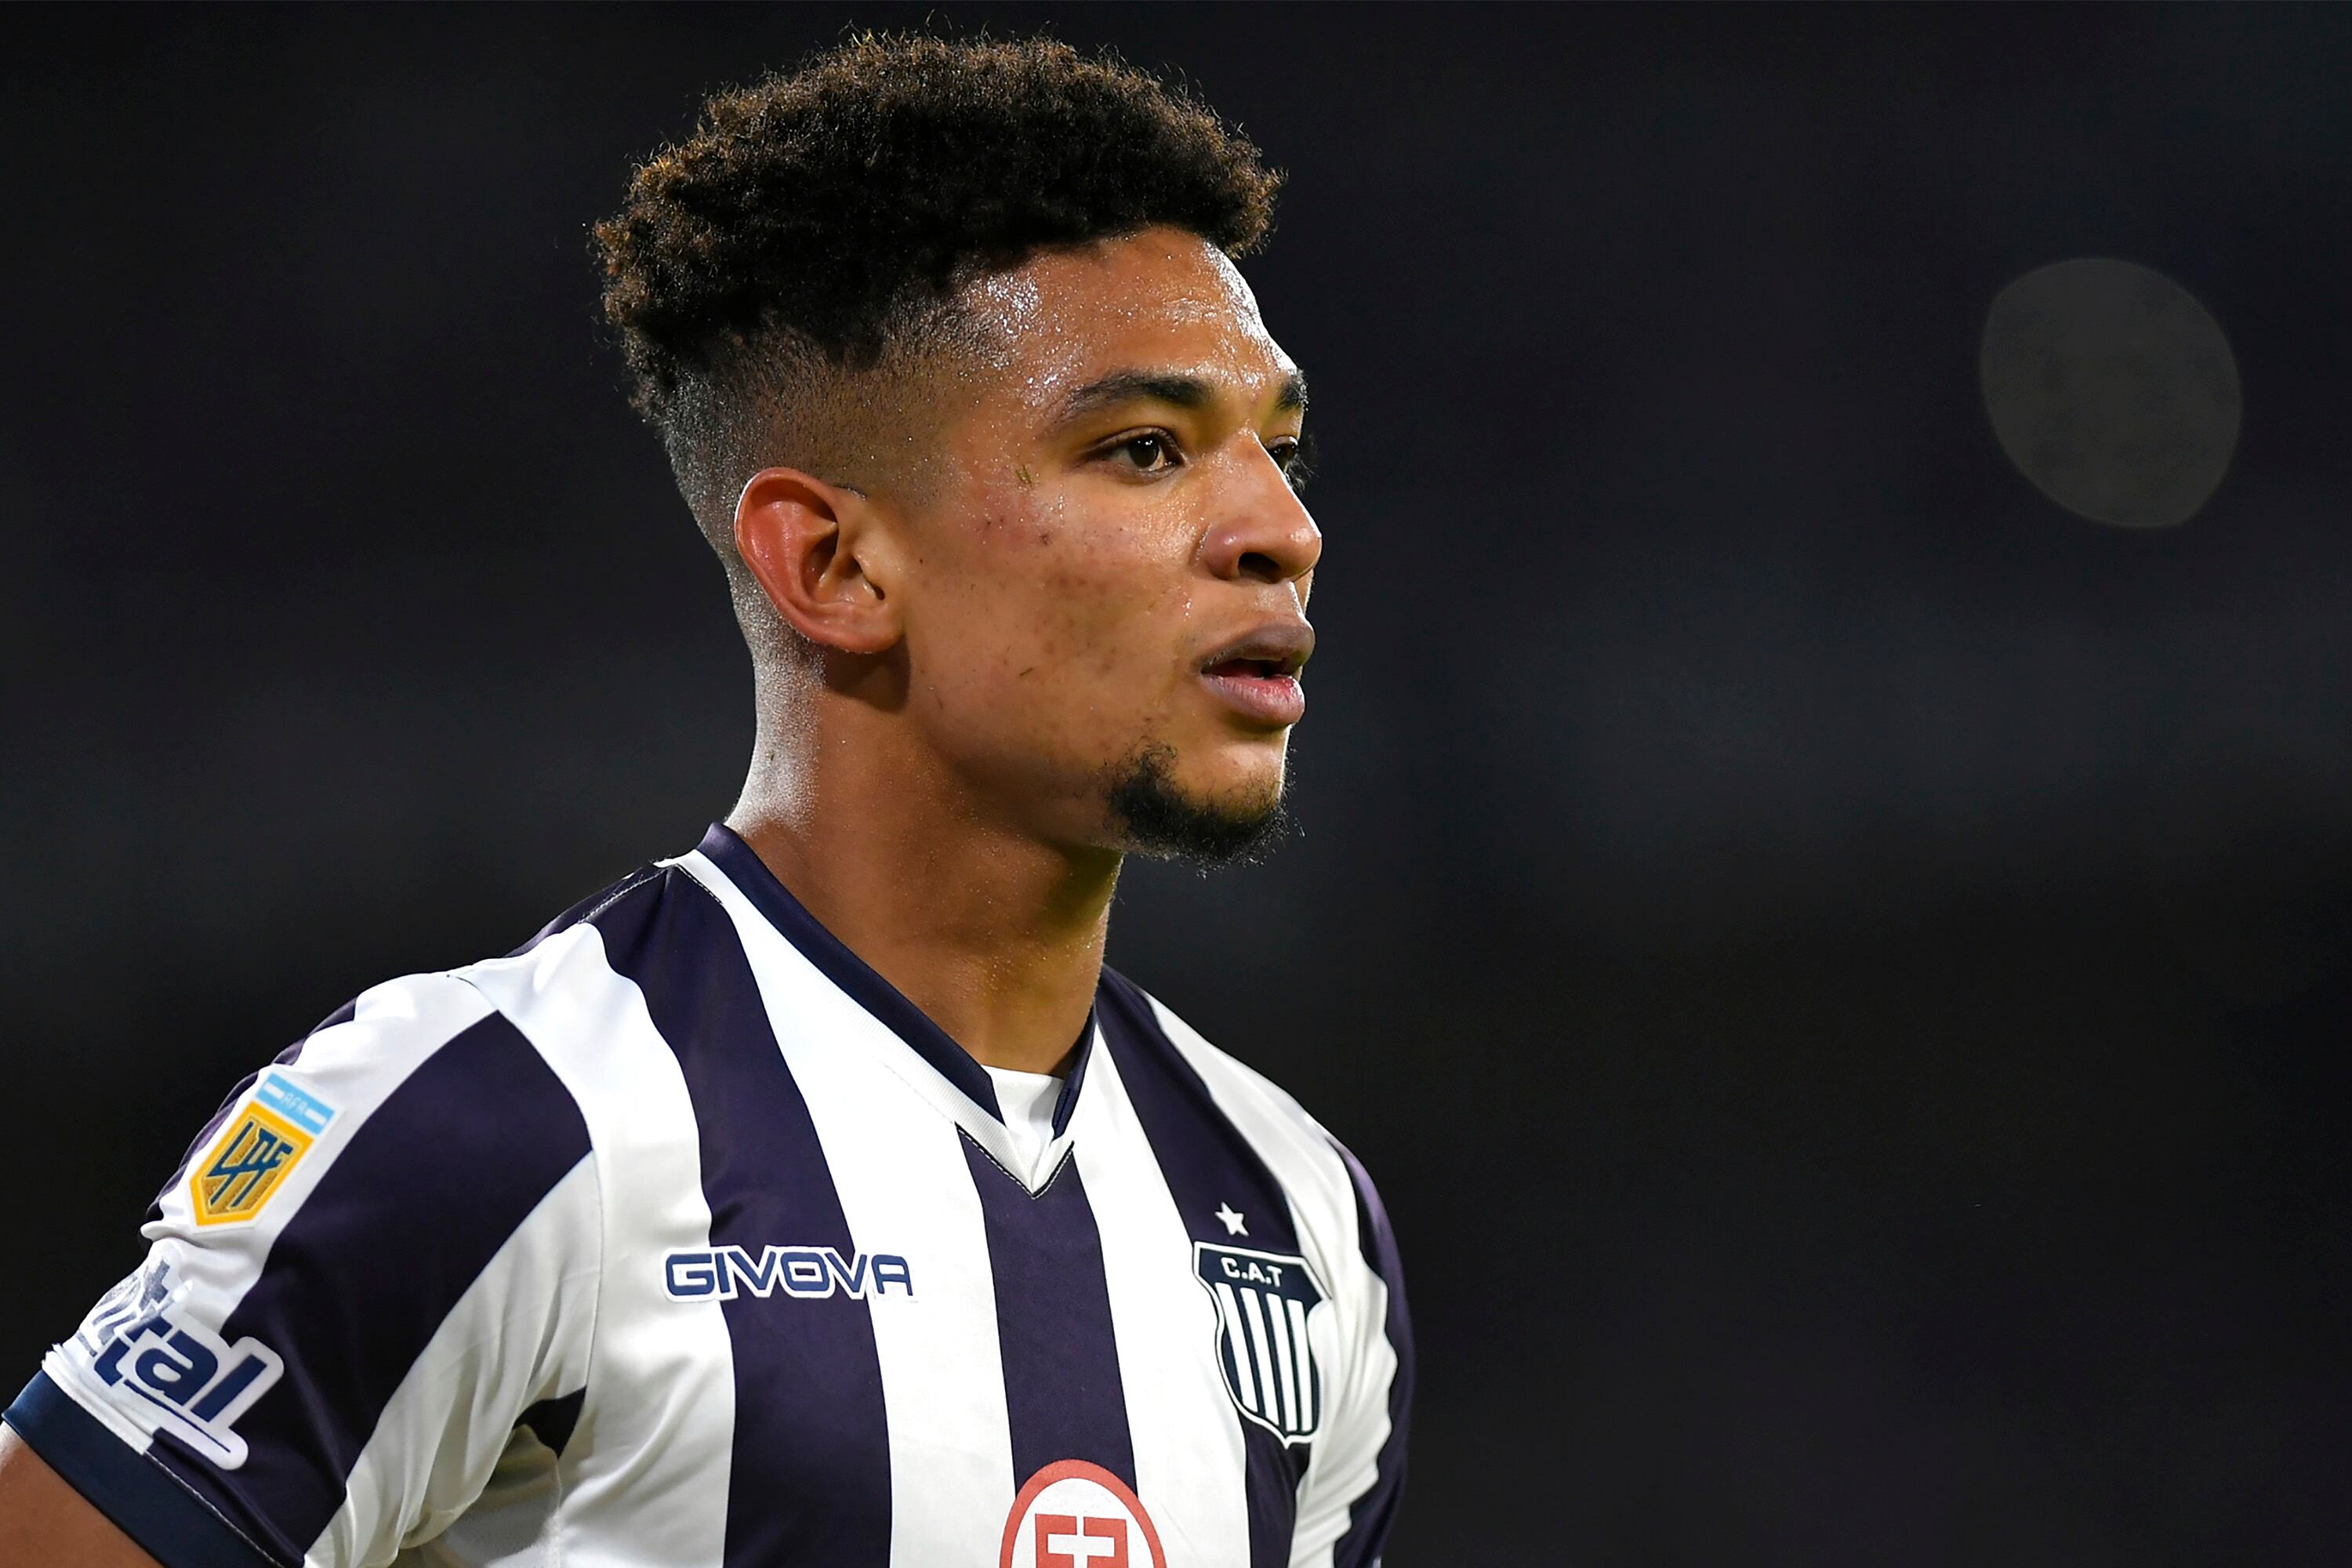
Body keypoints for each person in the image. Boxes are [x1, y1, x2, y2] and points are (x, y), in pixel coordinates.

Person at [0, 32, 1410, 1568]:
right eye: (1144, 449)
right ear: (835, 565)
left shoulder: (1295, 1217)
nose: (1284, 528)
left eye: (1279, 449)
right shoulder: (496, 1122)